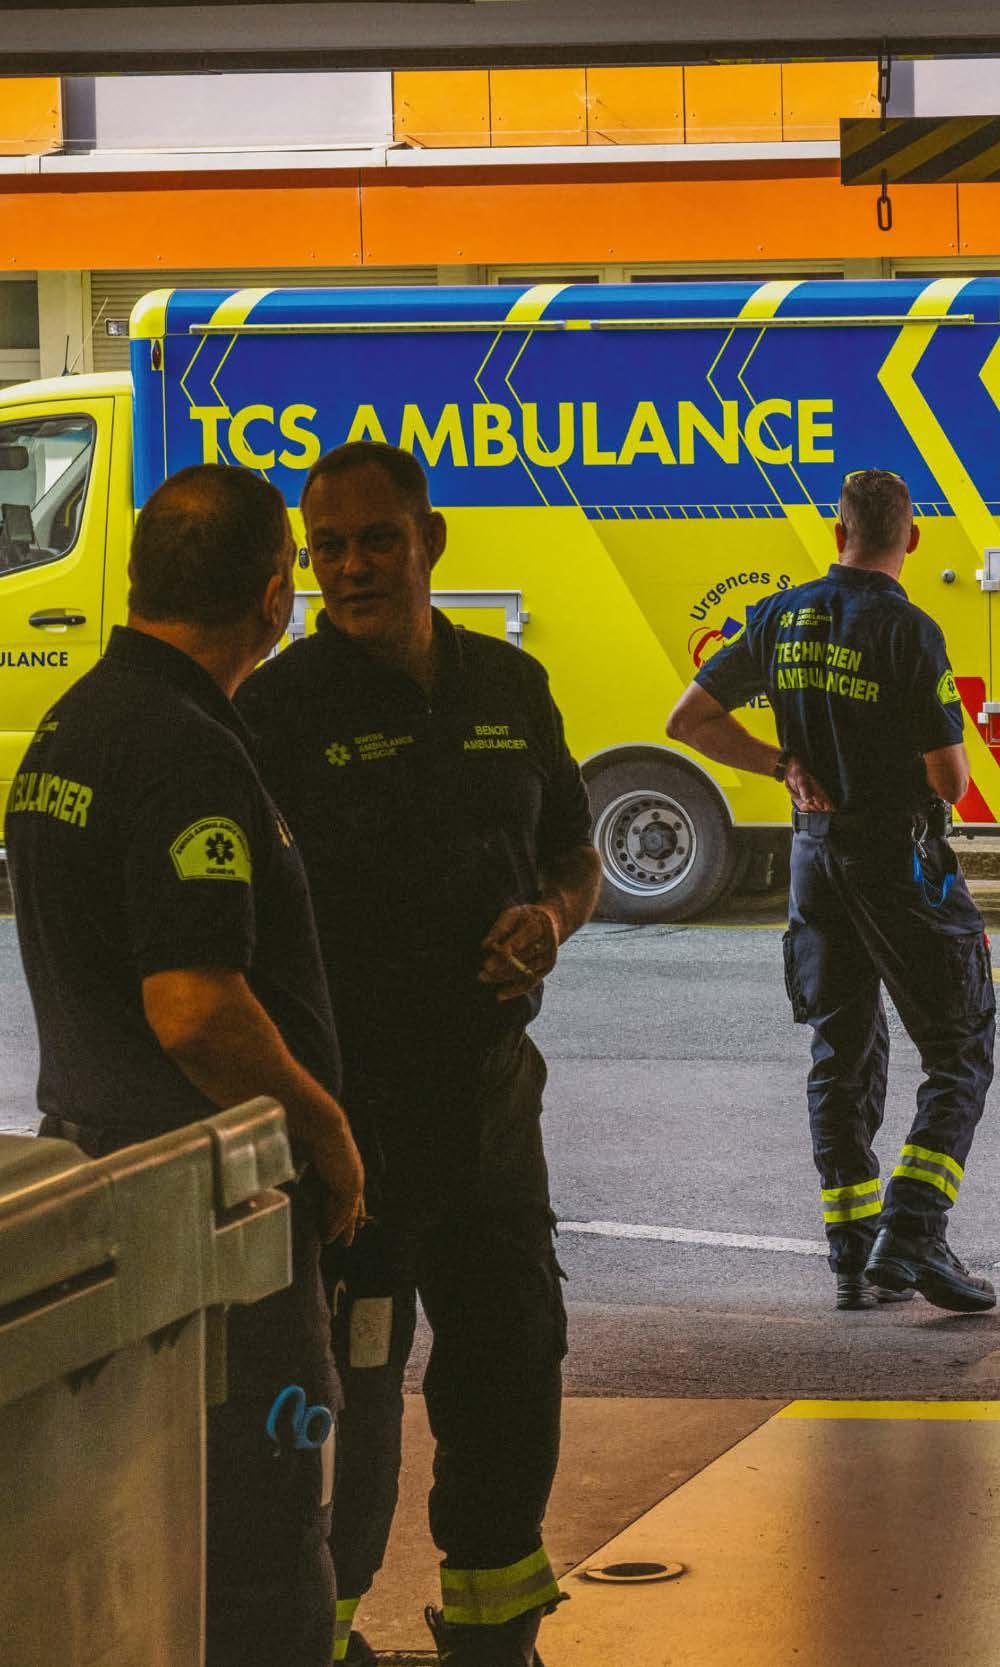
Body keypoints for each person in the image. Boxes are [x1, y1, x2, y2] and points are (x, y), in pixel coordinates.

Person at [236, 440, 601, 1667]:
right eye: (327, 547)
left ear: (429, 540)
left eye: (375, 540)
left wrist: (550, 917)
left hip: (492, 1103)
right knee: (348, 1401)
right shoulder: (277, 712)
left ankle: (494, 1633)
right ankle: (316, 1634)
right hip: (355, 1120)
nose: (351, 567)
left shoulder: (509, 683)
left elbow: (574, 853)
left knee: (512, 1364)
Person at [5, 464, 366, 1666]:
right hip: (212, 1218)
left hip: (115, 1185)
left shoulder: (75, 723)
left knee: (160, 1542)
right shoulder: (184, 750)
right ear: (274, 596)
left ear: (135, 577)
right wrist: (323, 1127)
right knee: (259, 1546)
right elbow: (196, 1008)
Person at [666, 468, 996, 1316]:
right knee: (959, 1049)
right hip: (898, 864)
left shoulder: (781, 615)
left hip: (815, 861)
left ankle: (852, 1255)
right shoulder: (909, 632)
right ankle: (913, 1233)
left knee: (841, 1051)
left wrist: (783, 763)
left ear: (835, 530)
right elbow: (951, 781)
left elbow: (688, 720)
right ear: (911, 538)